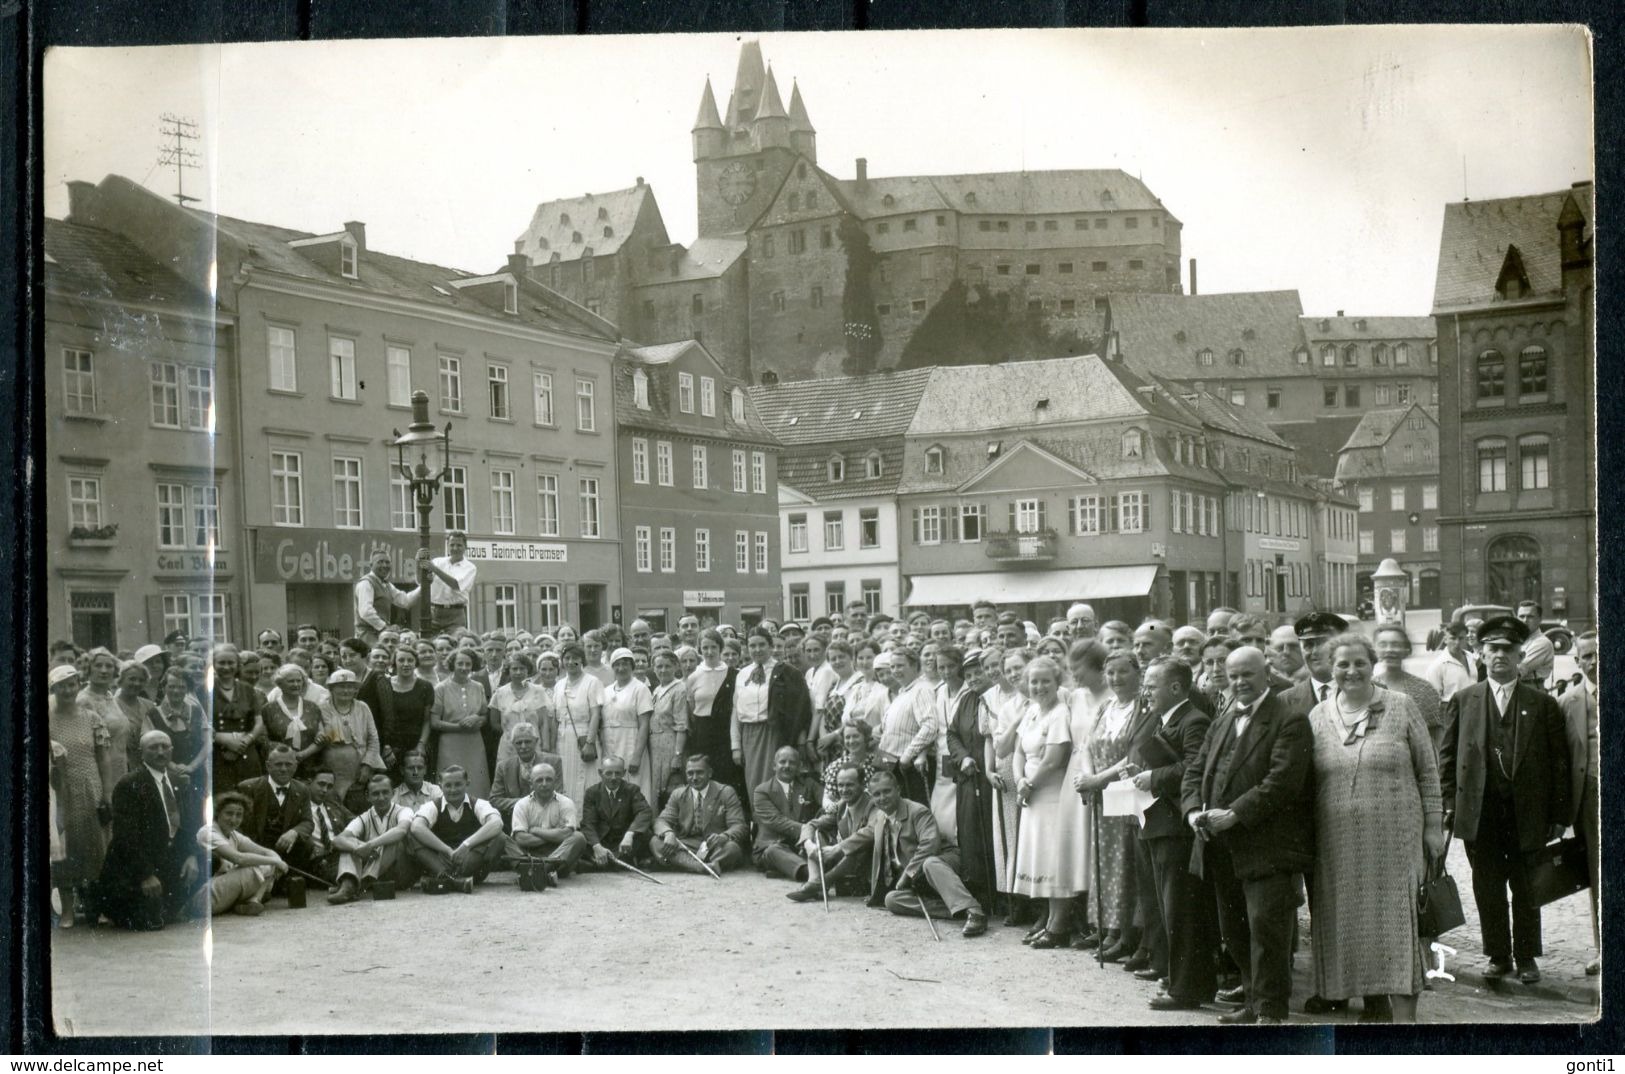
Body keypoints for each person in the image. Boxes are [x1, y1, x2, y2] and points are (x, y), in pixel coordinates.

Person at [1307, 633, 1443, 1023]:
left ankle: (1405, 1025)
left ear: (1372, 665)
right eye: (1342, 664)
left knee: (1400, 928)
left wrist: (1433, 827)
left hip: (1397, 841)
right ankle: (1373, 1018)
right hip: (1339, 845)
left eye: (1359, 663)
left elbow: (1428, 770)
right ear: (1331, 669)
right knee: (1356, 932)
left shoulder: (1401, 706)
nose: (1351, 671)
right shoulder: (1317, 717)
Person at [1182, 646, 1315, 1026]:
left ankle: (1271, 1010)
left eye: (1248, 675)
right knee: (1234, 927)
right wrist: (1193, 811)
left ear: (1266, 674)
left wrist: (1235, 814)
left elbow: (1281, 783)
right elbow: (1195, 770)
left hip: (1266, 845)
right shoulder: (1222, 721)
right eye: (1234, 675)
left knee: (1265, 928)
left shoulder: (1290, 720)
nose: (1240, 682)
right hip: (1218, 843)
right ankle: (1253, 1000)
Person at [1438, 615, 1571, 984]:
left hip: (1527, 814)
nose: (1500, 656)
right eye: (1493, 649)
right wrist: (1449, 804)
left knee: (1528, 886)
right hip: (1480, 815)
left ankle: (1527, 956)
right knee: (1488, 888)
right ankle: (1498, 955)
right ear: (1481, 654)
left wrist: (1559, 813)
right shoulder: (1464, 702)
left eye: (1508, 650)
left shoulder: (1541, 704)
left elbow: (1559, 762)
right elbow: (1446, 758)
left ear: (1518, 655)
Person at [1137, 658, 1221, 1012]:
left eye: (1152, 685)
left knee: (1182, 909)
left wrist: (1153, 778)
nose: (1146, 692)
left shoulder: (1193, 721)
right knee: (1170, 907)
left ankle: (1187, 987)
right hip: (1161, 825)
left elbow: (1194, 767)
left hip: (1177, 828)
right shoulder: (1166, 719)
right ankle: (1180, 980)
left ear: (1174, 688)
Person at [94, 730, 204, 930]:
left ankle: (167, 905)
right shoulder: (130, 784)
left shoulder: (178, 780)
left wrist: (191, 855)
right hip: (136, 867)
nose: (161, 752)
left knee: (204, 858)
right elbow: (125, 836)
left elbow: (188, 823)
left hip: (166, 859)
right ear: (141, 753)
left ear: (172, 750)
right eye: (153, 747)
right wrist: (145, 875)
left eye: (165, 747)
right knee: (144, 922)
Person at [1010, 655, 1085, 948]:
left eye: (1045, 681)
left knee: (1056, 861)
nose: (1039, 686)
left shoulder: (1060, 714)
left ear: (1057, 683)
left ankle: (1059, 927)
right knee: (1043, 859)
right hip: (1031, 796)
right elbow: (1018, 752)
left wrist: (1029, 784)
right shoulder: (1031, 711)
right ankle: (1052, 924)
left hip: (1052, 796)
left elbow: (1054, 759)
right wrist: (1020, 781)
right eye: (1034, 681)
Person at [864, 769, 988, 937]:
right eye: (876, 794)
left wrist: (907, 875)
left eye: (887, 791)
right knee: (891, 900)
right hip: (920, 878)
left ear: (898, 789)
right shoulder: (880, 817)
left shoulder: (917, 811)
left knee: (930, 863)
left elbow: (930, 844)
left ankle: (974, 911)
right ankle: (957, 910)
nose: (882, 798)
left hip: (943, 862)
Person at [1076, 650, 1142, 959]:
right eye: (1111, 673)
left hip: (1127, 789)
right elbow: (1088, 744)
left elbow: (1136, 755)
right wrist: (1088, 776)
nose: (1116, 678)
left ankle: (1127, 932)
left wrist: (1099, 779)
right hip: (1101, 793)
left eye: (1123, 672)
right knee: (1104, 858)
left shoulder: (1142, 707)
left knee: (1126, 860)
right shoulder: (1106, 706)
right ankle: (1108, 927)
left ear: (1137, 674)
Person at [719, 627, 814, 812]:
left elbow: (801, 710)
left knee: (777, 782)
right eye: (752, 645)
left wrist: (800, 741)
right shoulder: (742, 674)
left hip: (774, 734)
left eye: (762, 644)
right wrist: (736, 746)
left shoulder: (788, 672)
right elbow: (736, 712)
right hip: (748, 736)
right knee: (754, 785)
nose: (757, 649)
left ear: (771, 646)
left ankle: (780, 830)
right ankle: (761, 832)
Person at [48, 665, 112, 928]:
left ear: (78, 686)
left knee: (97, 845)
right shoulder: (47, 718)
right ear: (53, 689)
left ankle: (100, 906)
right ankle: (68, 911)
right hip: (60, 790)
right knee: (64, 845)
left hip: (90, 785)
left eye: (72, 684)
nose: (67, 690)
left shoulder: (92, 717)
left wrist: (106, 792)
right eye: (61, 686)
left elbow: (103, 758)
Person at [945, 647, 999, 915]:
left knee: (994, 836)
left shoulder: (997, 698)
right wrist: (963, 758)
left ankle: (1001, 897)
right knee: (970, 835)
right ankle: (980, 896)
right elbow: (952, 734)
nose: (975, 678)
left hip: (993, 781)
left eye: (979, 672)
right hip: (969, 777)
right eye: (969, 674)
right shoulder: (967, 700)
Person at [1560, 631, 1600, 975]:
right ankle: (1605, 949)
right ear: (1577, 662)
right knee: (1599, 872)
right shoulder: (1568, 701)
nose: (1594, 661)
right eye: (1586, 656)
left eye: (1599, 653)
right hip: (1589, 796)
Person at [408, 765, 505, 892]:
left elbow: (497, 823)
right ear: (440, 785)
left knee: (499, 837)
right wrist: (446, 849)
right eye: (448, 785)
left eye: (458, 784)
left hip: (469, 862)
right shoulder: (432, 806)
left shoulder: (478, 804)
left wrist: (466, 845)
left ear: (467, 783)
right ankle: (454, 881)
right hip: (442, 863)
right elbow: (416, 827)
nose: (453, 790)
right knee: (411, 834)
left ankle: (446, 881)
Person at [328, 772, 418, 903]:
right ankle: (349, 885)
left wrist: (369, 845)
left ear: (393, 793)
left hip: (400, 874)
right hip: (376, 875)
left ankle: (354, 886)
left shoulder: (404, 811)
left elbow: (401, 830)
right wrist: (358, 847)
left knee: (394, 840)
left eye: (385, 792)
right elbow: (338, 840)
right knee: (349, 842)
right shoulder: (365, 817)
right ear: (368, 796)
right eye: (375, 793)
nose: (381, 797)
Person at [652, 754, 748, 874]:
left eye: (700, 772)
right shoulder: (678, 794)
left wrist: (724, 836)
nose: (695, 778)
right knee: (656, 842)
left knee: (732, 848)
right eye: (690, 773)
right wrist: (668, 833)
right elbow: (661, 820)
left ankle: (686, 864)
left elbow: (739, 825)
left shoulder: (725, 792)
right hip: (688, 844)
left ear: (710, 773)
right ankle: (702, 867)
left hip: (714, 846)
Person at [198, 790, 287, 917]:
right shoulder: (208, 832)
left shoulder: (233, 834)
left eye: (239, 815)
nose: (234, 819)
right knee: (252, 870)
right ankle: (247, 900)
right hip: (204, 896)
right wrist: (275, 861)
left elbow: (266, 852)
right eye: (229, 813)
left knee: (267, 864)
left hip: (222, 889)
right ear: (217, 813)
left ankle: (254, 900)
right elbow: (238, 858)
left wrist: (276, 861)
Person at [235, 745, 315, 878]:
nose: (284, 769)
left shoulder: (302, 790)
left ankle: (285, 881)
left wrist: (294, 832)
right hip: (256, 847)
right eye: (278, 764)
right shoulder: (247, 787)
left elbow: (308, 822)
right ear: (268, 766)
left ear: (295, 766)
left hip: (285, 848)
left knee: (306, 843)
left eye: (288, 764)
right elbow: (237, 826)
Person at [875, 647, 938, 805]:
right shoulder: (903, 692)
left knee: (917, 813)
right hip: (893, 764)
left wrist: (907, 756)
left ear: (915, 665)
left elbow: (930, 726)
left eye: (900, 666)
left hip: (910, 767)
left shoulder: (921, 689)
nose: (895, 670)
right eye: (893, 666)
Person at [362, 647, 435, 782]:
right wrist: (386, 746)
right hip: (390, 748)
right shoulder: (384, 684)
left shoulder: (425, 686)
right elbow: (379, 719)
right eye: (401, 660)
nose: (406, 664)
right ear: (394, 663)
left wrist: (421, 745)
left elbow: (427, 720)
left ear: (415, 663)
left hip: (416, 744)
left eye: (410, 660)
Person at [751, 746, 823, 880]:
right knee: (774, 851)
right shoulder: (762, 791)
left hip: (801, 846)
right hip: (771, 846)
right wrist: (808, 829)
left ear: (799, 766)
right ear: (774, 766)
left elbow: (825, 802)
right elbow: (777, 821)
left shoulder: (809, 785)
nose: (787, 766)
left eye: (792, 762)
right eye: (782, 762)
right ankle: (810, 873)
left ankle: (809, 870)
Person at [507, 762, 588, 880]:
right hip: (529, 854)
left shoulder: (566, 803)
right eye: (539, 780)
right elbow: (521, 838)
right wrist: (554, 835)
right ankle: (545, 873)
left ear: (555, 782)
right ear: (531, 784)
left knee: (579, 837)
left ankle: (536, 872)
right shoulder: (522, 804)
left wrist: (536, 830)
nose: (544, 784)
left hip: (558, 854)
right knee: (505, 840)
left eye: (548, 780)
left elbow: (567, 834)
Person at [430, 649, 492, 801]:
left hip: (474, 743)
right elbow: (434, 722)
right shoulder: (441, 688)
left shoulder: (478, 687)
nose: (464, 667)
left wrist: (477, 719)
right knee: (451, 781)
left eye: (468, 664)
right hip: (450, 744)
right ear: (453, 665)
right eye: (460, 664)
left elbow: (484, 715)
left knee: (477, 781)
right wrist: (460, 727)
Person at [1373, 624, 1443, 753]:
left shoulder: (1423, 690)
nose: (1389, 650)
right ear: (1375, 649)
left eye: (1395, 644)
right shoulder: (1367, 688)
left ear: (1406, 649)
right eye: (1383, 644)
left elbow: (1436, 737)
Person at [320, 669, 384, 805]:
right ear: (332, 688)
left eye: (350, 687)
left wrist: (367, 764)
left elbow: (373, 738)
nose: (346, 691)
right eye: (341, 686)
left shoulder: (363, 707)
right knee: (335, 803)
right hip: (334, 767)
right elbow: (327, 736)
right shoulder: (323, 708)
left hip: (361, 767)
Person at [580, 755, 656, 868]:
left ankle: (601, 863)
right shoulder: (592, 792)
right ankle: (609, 861)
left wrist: (630, 834)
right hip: (602, 841)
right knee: (580, 837)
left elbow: (645, 812)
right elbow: (588, 823)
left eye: (618, 773)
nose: (613, 778)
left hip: (624, 843)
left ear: (624, 773)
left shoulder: (632, 790)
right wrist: (596, 846)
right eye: (608, 773)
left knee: (646, 833)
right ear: (600, 773)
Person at [600, 648, 655, 803]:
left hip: (631, 742)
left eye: (625, 664)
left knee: (633, 783)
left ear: (632, 666)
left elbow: (644, 724)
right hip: (610, 743)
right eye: (617, 664)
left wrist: (636, 756)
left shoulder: (640, 689)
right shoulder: (606, 690)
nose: (621, 668)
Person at [553, 641, 605, 805]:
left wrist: (590, 742)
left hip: (585, 735)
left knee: (587, 777)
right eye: (567, 658)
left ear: (582, 660)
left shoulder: (592, 682)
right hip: (563, 737)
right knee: (567, 778)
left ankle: (588, 820)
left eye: (575, 658)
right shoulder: (559, 684)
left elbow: (596, 714)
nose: (570, 662)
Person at [1278, 612, 1349, 719]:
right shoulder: (1285, 701)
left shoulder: (1368, 691)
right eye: (1308, 645)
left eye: (1322, 643)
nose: (1315, 651)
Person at [491, 652, 556, 768]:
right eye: (514, 669)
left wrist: (546, 747)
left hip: (534, 745)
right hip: (509, 747)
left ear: (528, 670)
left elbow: (544, 723)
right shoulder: (500, 693)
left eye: (522, 668)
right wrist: (511, 734)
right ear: (508, 671)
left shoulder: (538, 691)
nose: (518, 672)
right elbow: (494, 722)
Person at [489, 722, 561, 825]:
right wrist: (523, 803)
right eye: (519, 743)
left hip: (547, 820)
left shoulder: (553, 762)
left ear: (536, 741)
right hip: (515, 821)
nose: (523, 746)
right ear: (513, 744)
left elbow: (558, 795)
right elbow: (494, 800)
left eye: (527, 742)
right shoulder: (503, 767)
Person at [263, 663, 325, 775]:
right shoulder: (268, 709)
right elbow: (263, 739)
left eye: (299, 680)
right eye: (291, 681)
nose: (296, 684)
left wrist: (304, 754)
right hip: (280, 768)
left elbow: (322, 736)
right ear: (280, 684)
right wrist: (288, 754)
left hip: (311, 767)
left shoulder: (312, 707)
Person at [647, 651, 690, 806]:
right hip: (655, 744)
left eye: (667, 666)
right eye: (659, 666)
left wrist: (677, 755)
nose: (663, 670)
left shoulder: (679, 689)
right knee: (655, 786)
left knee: (668, 785)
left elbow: (681, 725)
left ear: (676, 667)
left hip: (670, 743)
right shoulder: (657, 689)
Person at [353, 552, 420, 646]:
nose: (384, 565)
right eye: (380, 562)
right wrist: (385, 627)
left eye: (387, 562)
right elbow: (366, 612)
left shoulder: (386, 584)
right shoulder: (366, 583)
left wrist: (424, 586)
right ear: (371, 565)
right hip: (367, 636)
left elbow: (405, 601)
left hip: (381, 635)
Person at [302, 767, 354, 882]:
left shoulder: (333, 804)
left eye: (329, 786)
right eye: (321, 784)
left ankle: (348, 886)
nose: (325, 790)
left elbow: (356, 821)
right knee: (349, 868)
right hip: (320, 861)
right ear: (309, 782)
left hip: (341, 852)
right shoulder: (299, 808)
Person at [422, 531, 476, 636]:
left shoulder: (470, 567)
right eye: (452, 545)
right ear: (447, 546)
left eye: (459, 545)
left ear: (465, 547)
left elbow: (455, 584)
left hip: (455, 614)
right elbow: (421, 582)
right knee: (430, 645)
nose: (455, 548)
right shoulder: (437, 562)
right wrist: (418, 560)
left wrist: (434, 570)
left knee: (455, 645)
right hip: (434, 612)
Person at [1426, 622, 1478, 704]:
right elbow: (1432, 700)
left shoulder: (1473, 658)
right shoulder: (1437, 666)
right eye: (1453, 638)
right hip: (1452, 711)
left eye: (1461, 638)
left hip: (1474, 708)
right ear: (1445, 640)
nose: (1457, 642)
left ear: (1466, 639)